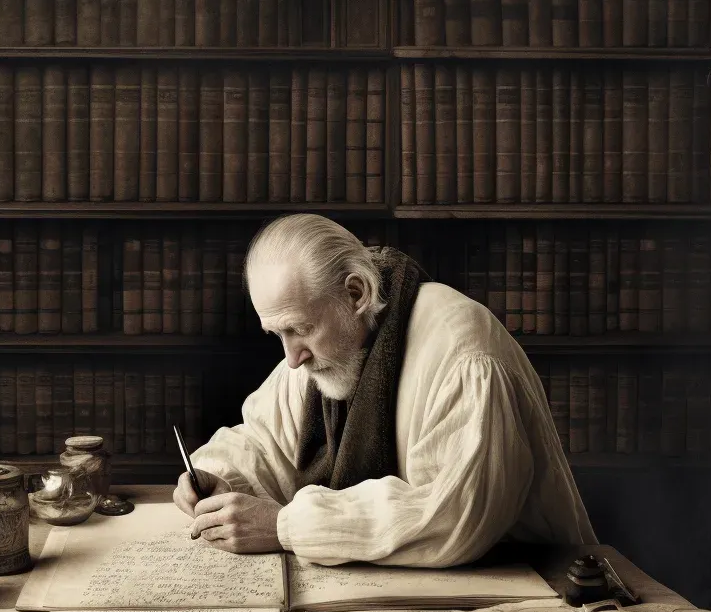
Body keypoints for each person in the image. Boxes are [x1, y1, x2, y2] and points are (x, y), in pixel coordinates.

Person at [173, 214, 597, 567]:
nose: (291, 358)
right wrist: (218, 477)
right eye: (277, 334)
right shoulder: (326, 347)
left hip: (538, 587)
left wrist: (287, 526)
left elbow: (454, 516)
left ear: (356, 293)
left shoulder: (464, 352)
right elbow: (264, 441)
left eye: (300, 330)